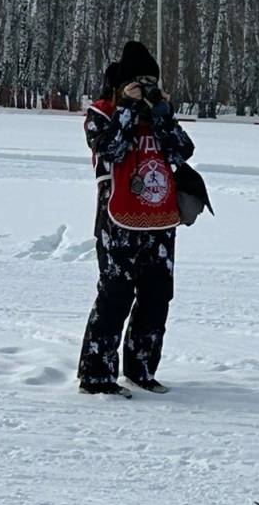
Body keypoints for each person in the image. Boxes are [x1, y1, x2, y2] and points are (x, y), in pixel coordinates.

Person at [77, 40, 195, 397]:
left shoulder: (157, 115)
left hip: (159, 219)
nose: (145, 88)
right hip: (118, 222)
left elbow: (183, 150)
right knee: (115, 295)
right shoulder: (102, 114)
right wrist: (127, 107)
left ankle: (141, 368)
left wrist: (162, 114)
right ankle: (96, 376)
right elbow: (111, 149)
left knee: (157, 297)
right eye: (138, 82)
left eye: (151, 82)